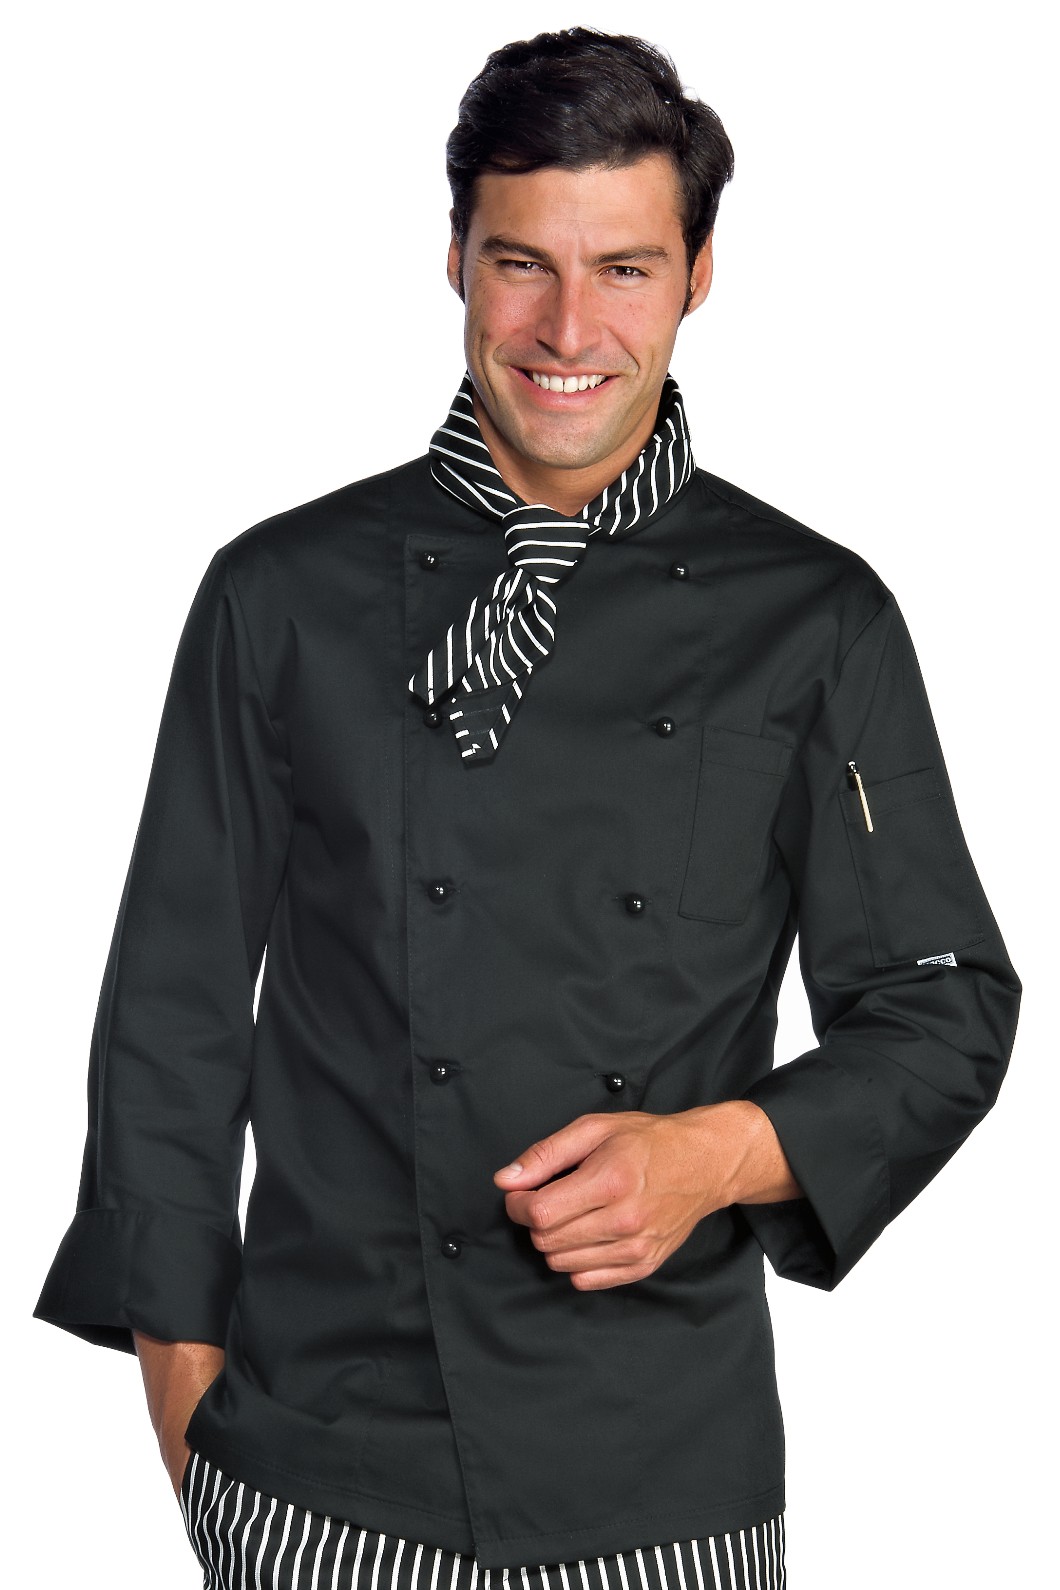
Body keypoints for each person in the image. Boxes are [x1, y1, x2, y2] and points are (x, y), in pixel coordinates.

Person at [34, 26, 1021, 1590]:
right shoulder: (278, 596)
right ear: (454, 260)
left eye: (624, 269)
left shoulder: (815, 619)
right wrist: (188, 1419)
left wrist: (716, 1153)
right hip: (316, 1466)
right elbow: (171, 1017)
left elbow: (944, 1003)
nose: (569, 328)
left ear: (699, 276)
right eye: (522, 265)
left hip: (664, 1482)